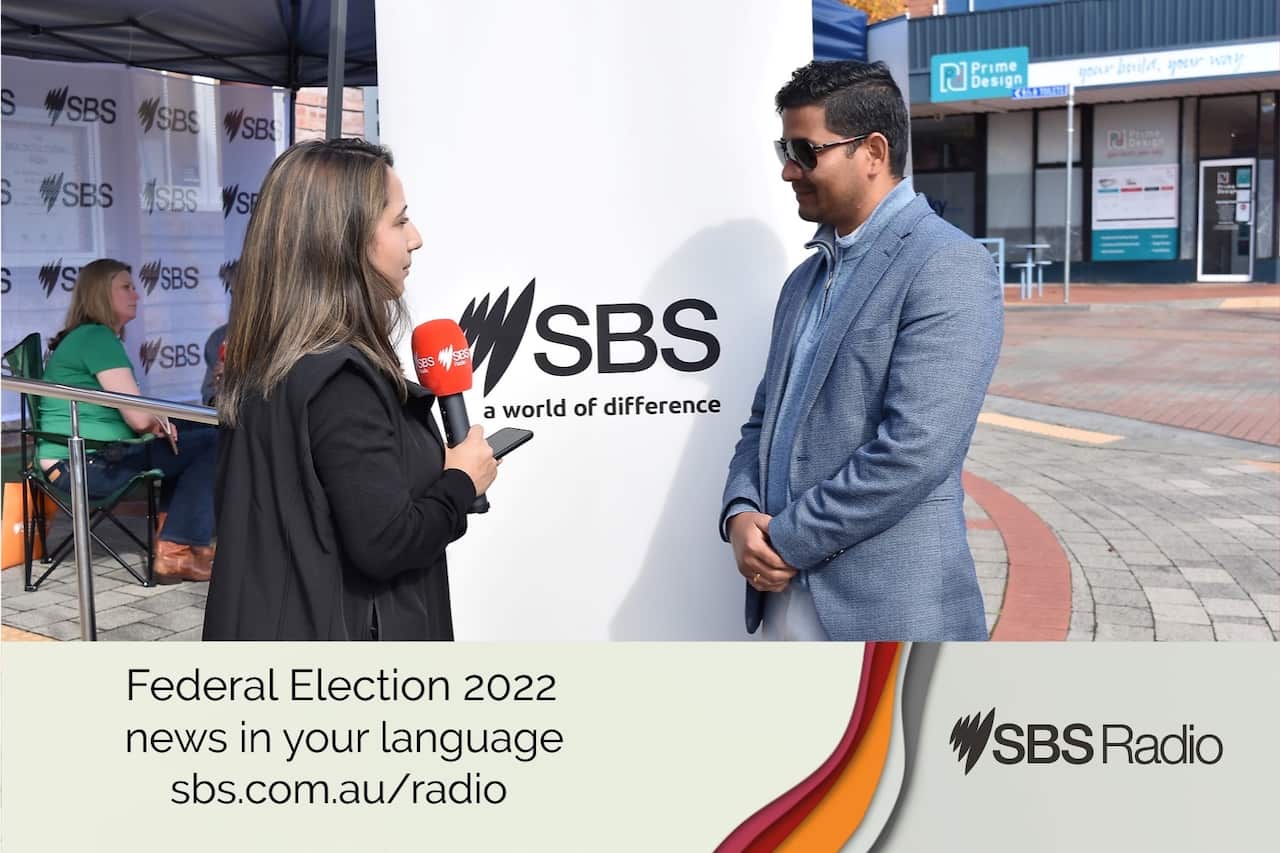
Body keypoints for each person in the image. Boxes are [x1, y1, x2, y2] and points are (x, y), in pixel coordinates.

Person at [720, 60, 1003, 641]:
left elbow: (914, 451)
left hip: (887, 612)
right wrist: (740, 513)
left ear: (873, 151)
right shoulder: (804, 280)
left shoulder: (947, 264)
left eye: (805, 149)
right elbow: (761, 421)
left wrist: (786, 539)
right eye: (784, 150)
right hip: (781, 606)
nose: (789, 170)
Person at [203, 138, 498, 641]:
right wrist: (461, 482)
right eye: (400, 221)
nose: (417, 238)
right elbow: (387, 542)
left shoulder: (268, 363)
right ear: (344, 239)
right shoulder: (340, 380)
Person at [37, 258, 219, 582]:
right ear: (100, 294)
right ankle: (175, 550)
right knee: (214, 441)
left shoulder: (90, 336)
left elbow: (137, 411)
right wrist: (157, 422)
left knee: (199, 431)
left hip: (83, 458)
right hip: (83, 465)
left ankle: (181, 543)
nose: (136, 295)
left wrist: (159, 421)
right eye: (126, 287)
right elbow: (137, 418)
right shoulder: (96, 338)